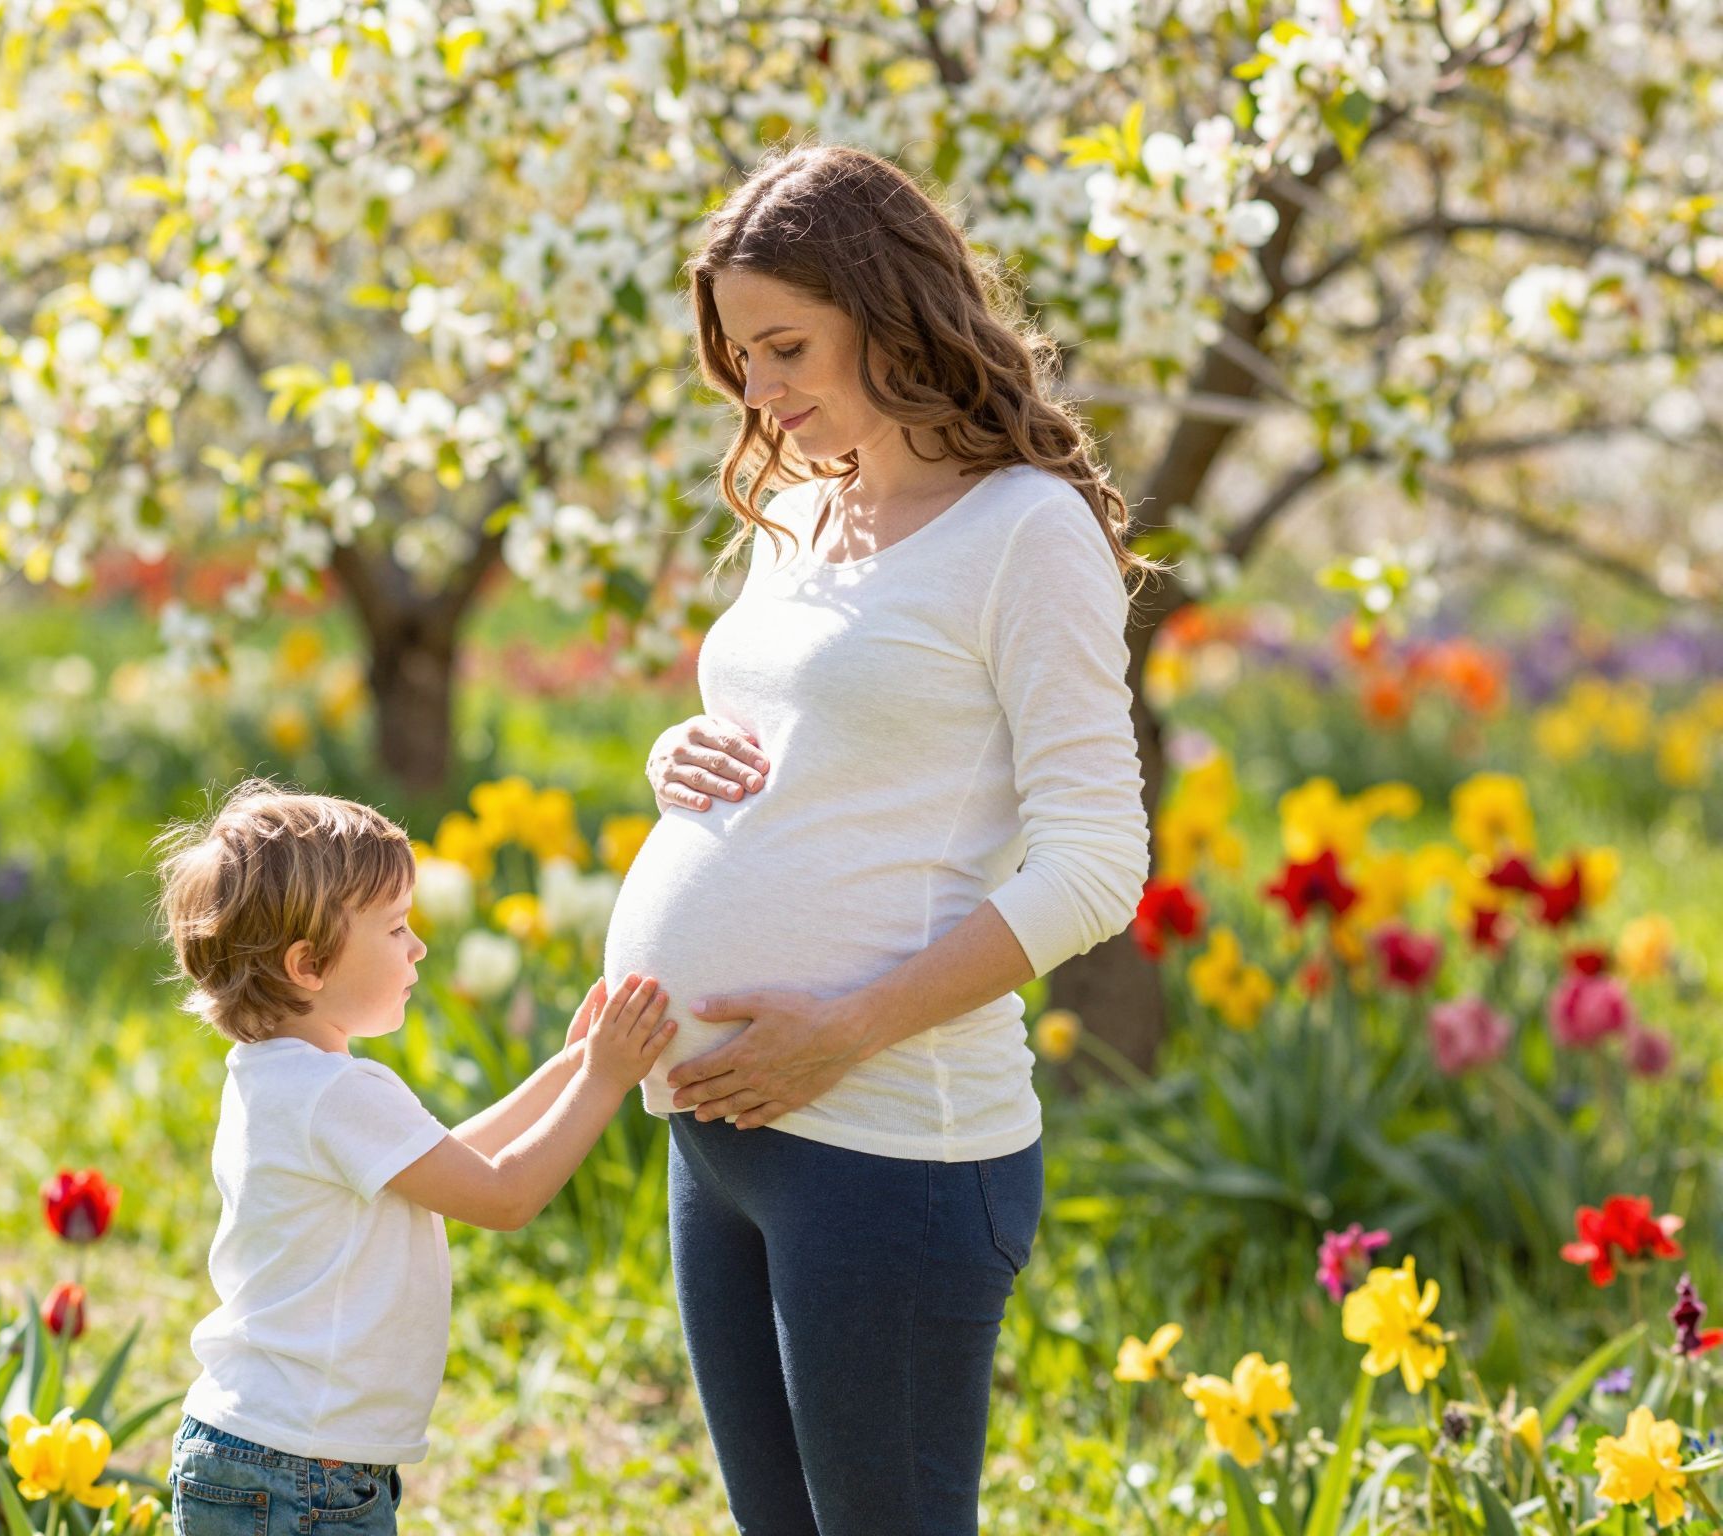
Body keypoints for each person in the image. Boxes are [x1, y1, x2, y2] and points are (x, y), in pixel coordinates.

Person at [600, 143, 1157, 1534]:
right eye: (740, 363)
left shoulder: (1025, 531)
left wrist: (845, 1030)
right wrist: (680, 754)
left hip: (894, 1143)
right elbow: (829, 737)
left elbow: (1097, 862)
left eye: (787, 347)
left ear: (889, 309)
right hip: (721, 1138)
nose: (763, 396)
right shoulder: (801, 510)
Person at [152, 778, 675, 1535]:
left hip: (269, 1452)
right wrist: (603, 1081)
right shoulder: (337, 1092)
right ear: (309, 965)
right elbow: (502, 1196)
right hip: (302, 1471)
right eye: (396, 929)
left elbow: (446, 1163)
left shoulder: (280, 1076)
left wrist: (568, 1069)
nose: (419, 947)